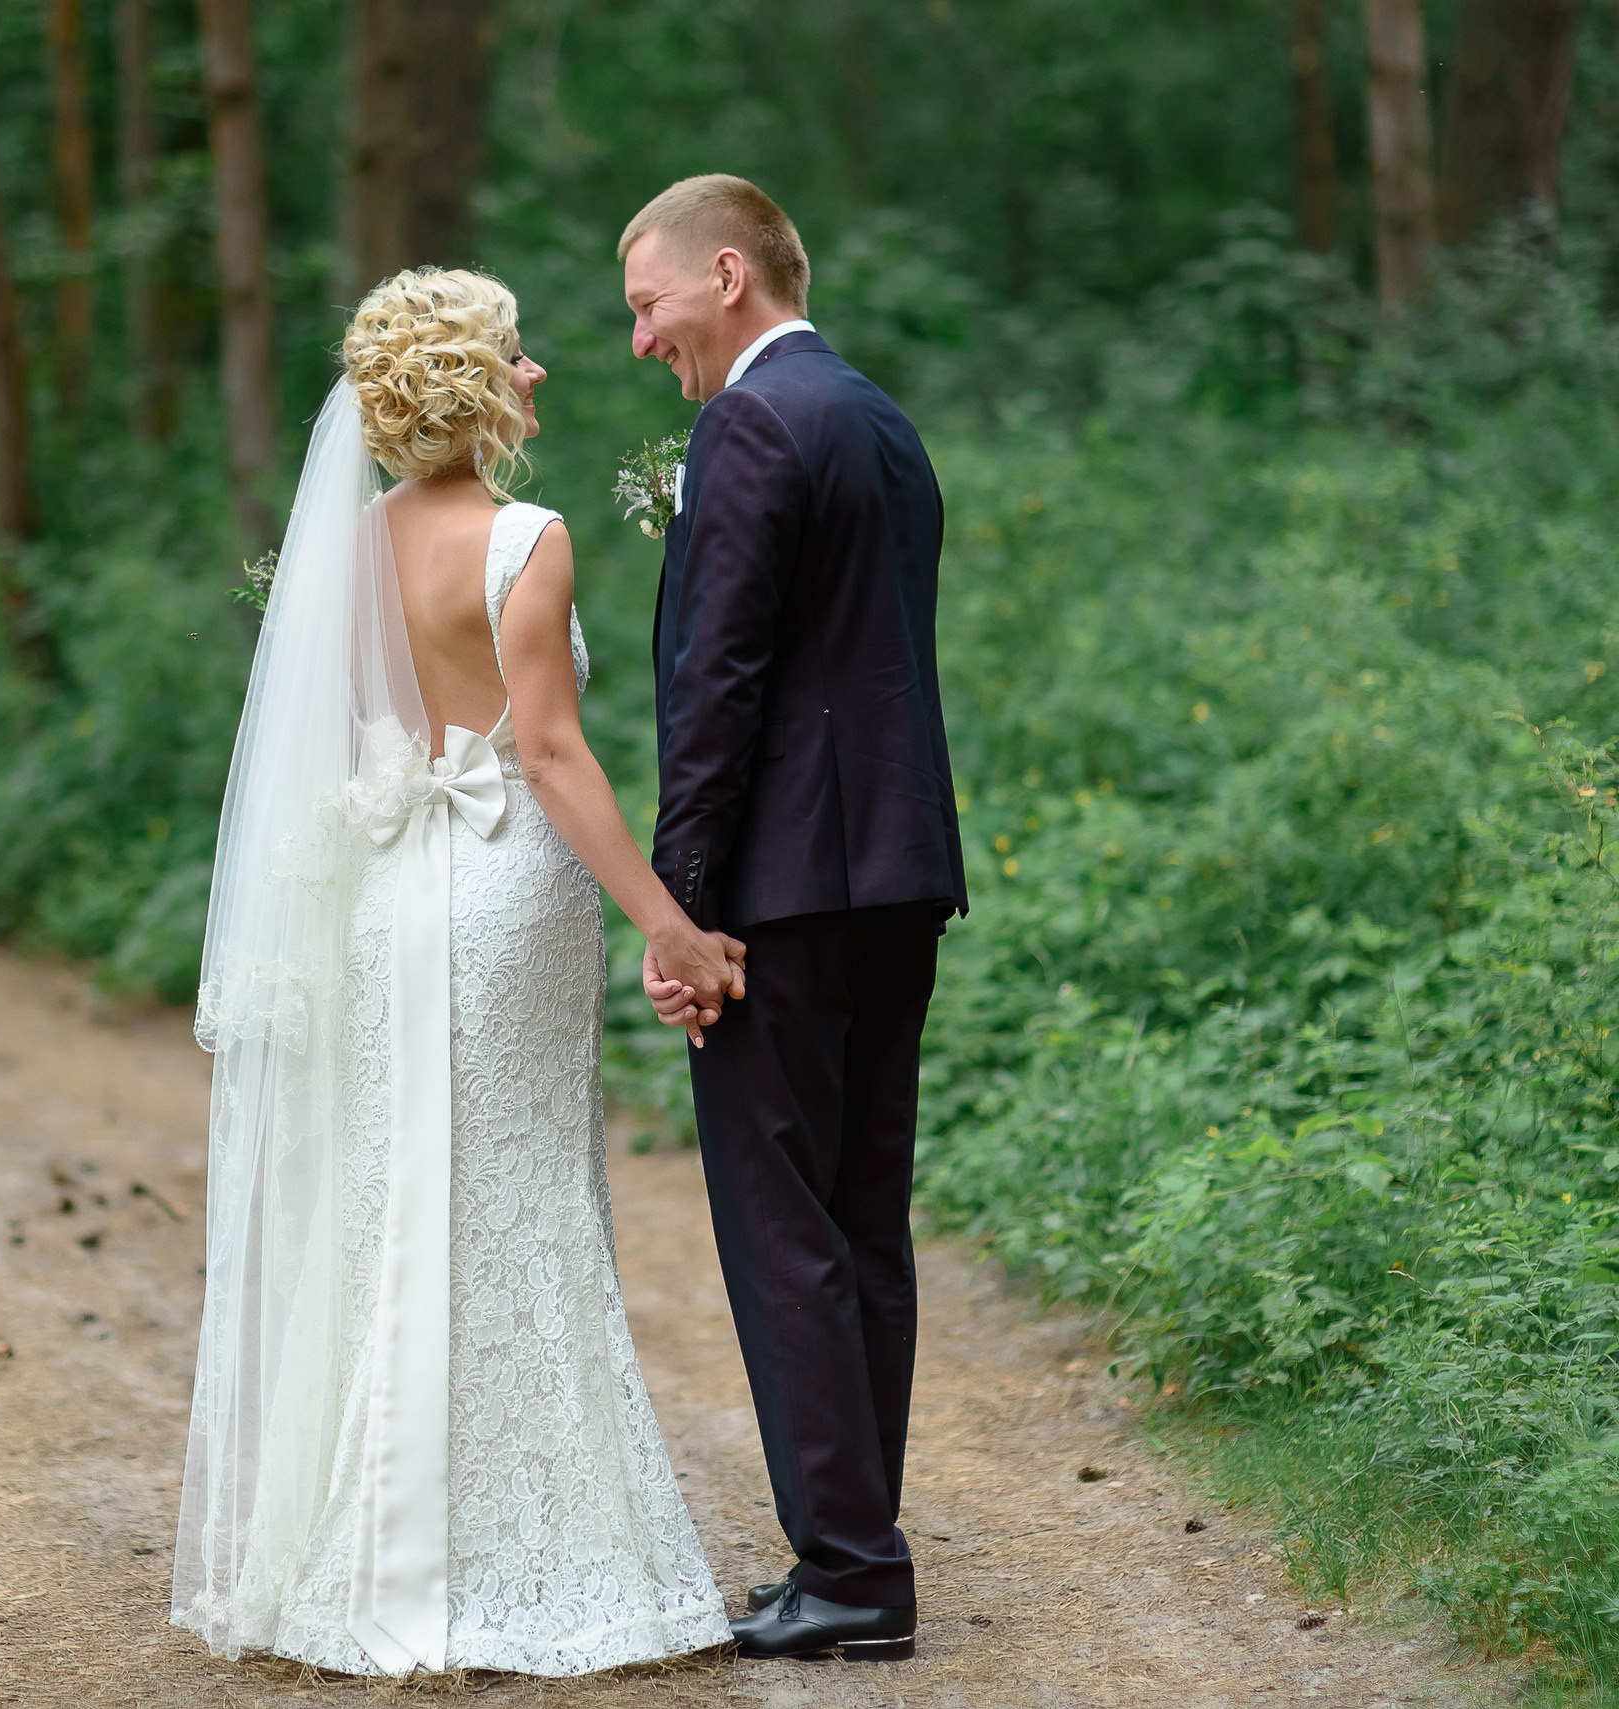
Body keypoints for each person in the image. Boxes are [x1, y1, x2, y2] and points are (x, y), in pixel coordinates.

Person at [170, 267, 744, 1676]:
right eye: (515, 354)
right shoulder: (527, 538)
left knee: (395, 1204)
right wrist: (670, 920)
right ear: (471, 385)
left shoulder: (350, 549)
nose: (539, 372)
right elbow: (547, 755)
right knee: (522, 1198)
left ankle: (370, 1561)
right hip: (500, 899)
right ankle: (533, 1561)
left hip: (387, 899)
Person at [622, 174, 968, 1662]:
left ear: (725, 275)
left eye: (648, 305)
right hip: (896, 872)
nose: (642, 340)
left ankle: (848, 1569)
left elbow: (723, 685)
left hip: (781, 889)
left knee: (785, 1230)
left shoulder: (751, 423)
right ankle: (858, 1548)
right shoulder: (879, 418)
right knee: (859, 1215)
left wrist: (681, 913)